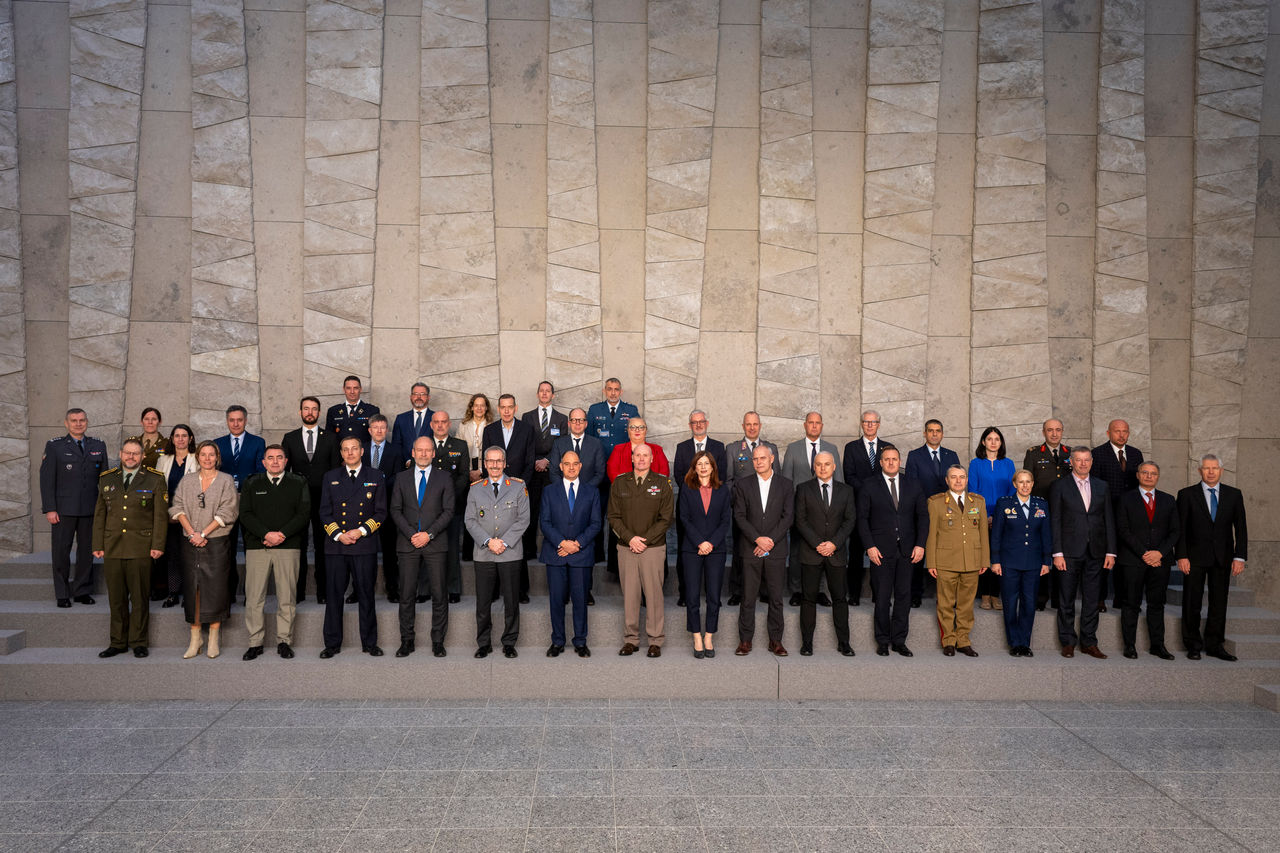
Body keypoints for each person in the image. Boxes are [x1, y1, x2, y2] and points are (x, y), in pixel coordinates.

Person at [91, 439, 168, 658]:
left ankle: (139, 641)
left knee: (140, 597)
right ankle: (117, 642)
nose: (131, 457)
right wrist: (97, 543)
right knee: (116, 598)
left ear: (143, 456)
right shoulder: (107, 478)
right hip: (112, 546)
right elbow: (100, 514)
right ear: (121, 453)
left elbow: (160, 517)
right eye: (127, 453)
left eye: (136, 454)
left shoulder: (155, 479)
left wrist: (158, 545)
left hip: (141, 547)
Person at [237, 444, 310, 661]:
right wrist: (266, 535)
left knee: (286, 597)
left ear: (286, 461)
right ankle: (255, 642)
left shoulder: (298, 482)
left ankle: (284, 641)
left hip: (288, 547)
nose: (275, 461)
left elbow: (304, 513)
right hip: (258, 546)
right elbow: (246, 514)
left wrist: (282, 535)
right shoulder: (252, 483)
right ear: (263, 462)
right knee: (254, 598)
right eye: (271, 458)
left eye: (279, 457)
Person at [318, 435, 388, 658]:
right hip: (337, 547)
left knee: (366, 595)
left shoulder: (375, 476)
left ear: (362, 451)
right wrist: (339, 534)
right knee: (334, 595)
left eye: (354, 449)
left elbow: (381, 512)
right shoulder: (330, 477)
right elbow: (324, 512)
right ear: (341, 453)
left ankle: (369, 643)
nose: (350, 453)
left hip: (363, 544)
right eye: (346, 449)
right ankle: (332, 643)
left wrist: (360, 531)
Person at [170, 440, 239, 660]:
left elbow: (228, 510)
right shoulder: (188, 480)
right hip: (190, 542)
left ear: (217, 457)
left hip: (216, 542)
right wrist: (192, 533)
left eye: (211, 455)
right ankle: (195, 638)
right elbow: (177, 507)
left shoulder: (226, 480)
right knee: (193, 588)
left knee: (216, 588)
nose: (207, 458)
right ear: (197, 457)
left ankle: (213, 640)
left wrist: (204, 533)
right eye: (203, 454)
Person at [1176, 454, 1248, 662]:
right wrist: (1181, 556)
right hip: (1194, 557)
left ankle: (1215, 645)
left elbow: (1241, 528)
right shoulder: (1187, 494)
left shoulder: (1234, 495)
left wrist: (1240, 557)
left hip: (1223, 557)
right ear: (1199, 471)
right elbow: (1180, 529)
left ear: (1221, 471)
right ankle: (1193, 645)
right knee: (1192, 602)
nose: (1210, 472)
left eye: (1214, 468)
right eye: (1206, 468)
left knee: (1219, 602)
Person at [389, 437, 455, 658]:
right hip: (408, 544)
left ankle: (438, 641)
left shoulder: (445, 478)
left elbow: (448, 511)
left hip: (435, 543)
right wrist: (412, 535)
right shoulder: (401, 478)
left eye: (428, 450)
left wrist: (428, 534)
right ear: (413, 452)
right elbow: (395, 510)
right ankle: (407, 640)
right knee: (406, 595)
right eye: (420, 450)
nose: (424, 454)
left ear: (434, 453)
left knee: (439, 594)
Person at [858, 447, 927, 657]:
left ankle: (899, 640)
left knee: (904, 596)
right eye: (886, 459)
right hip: (880, 551)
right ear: (880, 462)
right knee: (882, 596)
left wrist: (920, 544)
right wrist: (869, 546)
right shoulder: (869, 485)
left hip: (908, 551)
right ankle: (882, 640)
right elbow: (862, 519)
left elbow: (923, 517)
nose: (890, 463)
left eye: (894, 459)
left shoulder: (913, 484)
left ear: (900, 461)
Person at [608, 444, 674, 658]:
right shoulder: (620, 482)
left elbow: (666, 519)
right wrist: (630, 539)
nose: (642, 459)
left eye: (646, 455)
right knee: (630, 595)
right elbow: (613, 517)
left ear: (652, 458)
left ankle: (655, 640)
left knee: (654, 595)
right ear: (632, 458)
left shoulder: (662, 483)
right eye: (638, 455)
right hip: (626, 548)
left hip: (652, 548)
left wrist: (644, 540)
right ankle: (631, 639)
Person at [1049, 448, 1116, 659]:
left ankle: (1089, 642)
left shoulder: (1102, 486)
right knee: (1066, 598)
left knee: (1092, 599)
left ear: (1092, 461)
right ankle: (1068, 641)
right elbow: (1055, 521)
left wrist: (1111, 552)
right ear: (1072, 462)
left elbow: (1109, 520)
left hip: (1096, 551)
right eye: (1079, 460)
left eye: (1087, 460)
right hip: (1068, 552)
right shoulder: (1059, 486)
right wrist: (1057, 552)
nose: (1083, 463)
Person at [39, 408, 108, 607]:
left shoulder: (98, 445)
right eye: (74, 420)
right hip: (63, 510)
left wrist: (104, 509)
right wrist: (50, 508)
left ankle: (82, 591)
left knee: (86, 552)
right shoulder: (55, 446)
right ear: (66, 423)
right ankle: (62, 593)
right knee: (61, 552)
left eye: (82, 420)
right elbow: (46, 480)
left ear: (87, 422)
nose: (78, 424)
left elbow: (104, 480)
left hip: (90, 509)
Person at [465, 447, 530, 659]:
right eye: (490, 461)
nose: (494, 465)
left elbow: (523, 519)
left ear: (505, 463)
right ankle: (483, 643)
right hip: (484, 553)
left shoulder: (518, 487)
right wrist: (487, 542)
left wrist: (503, 542)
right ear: (485, 464)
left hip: (509, 552)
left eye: (498, 461)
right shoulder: (475, 488)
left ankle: (509, 642)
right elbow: (470, 520)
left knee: (511, 601)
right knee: (483, 602)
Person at [793, 451, 857, 657]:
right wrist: (818, 544)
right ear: (814, 466)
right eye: (819, 464)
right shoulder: (803, 489)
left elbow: (850, 521)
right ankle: (807, 643)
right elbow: (800, 520)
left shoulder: (846, 491)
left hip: (836, 554)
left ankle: (844, 642)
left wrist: (834, 544)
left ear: (834, 466)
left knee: (839, 598)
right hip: (811, 553)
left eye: (827, 464)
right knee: (808, 599)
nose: (822, 468)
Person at [733, 444, 794, 657]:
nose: (758, 462)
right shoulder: (743, 485)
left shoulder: (786, 485)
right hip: (751, 548)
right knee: (748, 597)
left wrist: (770, 541)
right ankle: (745, 640)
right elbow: (739, 516)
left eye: (762, 458)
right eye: (755, 459)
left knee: (776, 597)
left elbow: (788, 517)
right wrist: (758, 539)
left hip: (776, 550)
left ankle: (776, 640)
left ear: (772, 459)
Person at [539, 450, 601, 658]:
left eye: (575, 464)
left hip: (581, 554)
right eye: (567, 464)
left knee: (580, 600)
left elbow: (595, 524)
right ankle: (557, 641)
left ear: (581, 466)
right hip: (556, 552)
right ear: (561, 466)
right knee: (556, 600)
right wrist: (562, 543)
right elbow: (545, 522)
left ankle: (580, 641)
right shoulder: (549, 491)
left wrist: (577, 544)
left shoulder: (592, 492)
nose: (572, 467)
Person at [280, 396, 341, 604]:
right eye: (306, 409)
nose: (310, 412)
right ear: (300, 412)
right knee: (299, 544)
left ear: (319, 412)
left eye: (314, 409)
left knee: (323, 545)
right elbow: (283, 472)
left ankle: (322, 591)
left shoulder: (331, 438)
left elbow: (335, 472)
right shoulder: (290, 438)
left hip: (323, 499)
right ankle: (298, 591)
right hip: (297, 501)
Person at [1115, 461, 1178, 660]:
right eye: (1145, 472)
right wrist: (1145, 553)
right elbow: (1123, 530)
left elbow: (1175, 531)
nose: (1149, 476)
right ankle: (1130, 646)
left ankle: (1157, 645)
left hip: (1161, 561)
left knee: (1156, 604)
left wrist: (1159, 553)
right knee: (1131, 603)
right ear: (1138, 475)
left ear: (1158, 477)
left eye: (1153, 473)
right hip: (1133, 560)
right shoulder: (1125, 499)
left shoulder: (1169, 500)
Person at [926, 465, 989, 656]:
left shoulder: (977, 502)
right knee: (945, 604)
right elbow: (932, 535)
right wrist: (931, 562)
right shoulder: (936, 502)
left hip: (971, 561)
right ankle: (948, 641)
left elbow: (983, 533)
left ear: (967, 479)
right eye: (954, 477)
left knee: (966, 605)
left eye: (962, 477)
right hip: (945, 561)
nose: (958, 481)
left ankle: (963, 640)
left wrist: (984, 560)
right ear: (947, 480)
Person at [781, 411, 842, 606]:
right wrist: (789, 512)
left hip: (826, 511)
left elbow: (839, 481)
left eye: (817, 423)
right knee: (798, 550)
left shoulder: (831, 448)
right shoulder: (793, 448)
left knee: (825, 550)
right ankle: (797, 590)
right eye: (811, 423)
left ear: (822, 425)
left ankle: (821, 591)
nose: (814, 426)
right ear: (805, 425)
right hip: (801, 512)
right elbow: (786, 483)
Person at [677, 450, 732, 659]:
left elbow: (725, 520)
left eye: (706, 463)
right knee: (691, 596)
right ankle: (697, 636)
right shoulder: (687, 488)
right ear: (694, 466)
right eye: (699, 463)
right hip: (692, 548)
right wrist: (700, 542)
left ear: (712, 467)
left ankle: (709, 635)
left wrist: (711, 543)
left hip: (716, 550)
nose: (703, 467)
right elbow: (684, 518)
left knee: (713, 596)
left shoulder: (722, 489)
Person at [548, 407, 606, 604]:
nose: (578, 423)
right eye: (574, 420)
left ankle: (585, 590)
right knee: (562, 544)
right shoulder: (559, 443)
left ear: (586, 423)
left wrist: (583, 493)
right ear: (569, 423)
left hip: (587, 504)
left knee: (585, 548)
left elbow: (600, 473)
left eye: (581, 420)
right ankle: (563, 592)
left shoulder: (596, 444)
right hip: (562, 503)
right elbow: (555, 472)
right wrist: (567, 491)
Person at [990, 469, 1050, 657]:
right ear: (1015, 484)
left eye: (1028, 482)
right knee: (1010, 603)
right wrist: (995, 560)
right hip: (1009, 563)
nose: (1025, 485)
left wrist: (1046, 561)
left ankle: (1025, 642)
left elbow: (1046, 535)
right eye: (1021, 482)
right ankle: (1014, 643)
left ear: (1033, 484)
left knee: (1029, 604)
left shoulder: (1042, 505)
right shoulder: (1004, 504)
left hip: (1033, 563)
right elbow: (996, 534)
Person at [483, 394, 536, 602]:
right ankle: (495, 589)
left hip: (516, 491)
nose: (506, 411)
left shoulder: (527, 429)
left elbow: (530, 461)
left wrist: (519, 485)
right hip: (493, 491)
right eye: (503, 407)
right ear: (498, 408)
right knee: (494, 535)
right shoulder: (490, 430)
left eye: (510, 407)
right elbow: (486, 462)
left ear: (516, 408)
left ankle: (520, 590)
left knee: (515, 539)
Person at [672, 409, 728, 607]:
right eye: (694, 422)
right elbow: (678, 473)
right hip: (689, 505)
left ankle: (712, 595)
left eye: (701, 421)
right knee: (685, 550)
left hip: (712, 506)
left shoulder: (719, 447)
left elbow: (722, 475)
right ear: (690, 426)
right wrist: (693, 489)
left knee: (713, 549)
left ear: (707, 423)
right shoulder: (682, 447)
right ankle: (686, 593)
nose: (698, 424)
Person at [904, 418, 960, 607]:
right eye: (930, 430)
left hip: (948, 512)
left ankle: (945, 596)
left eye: (938, 431)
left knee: (945, 555)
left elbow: (957, 485)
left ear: (942, 434)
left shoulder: (951, 455)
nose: (934, 434)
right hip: (922, 511)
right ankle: (915, 594)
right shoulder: (914, 455)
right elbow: (911, 485)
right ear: (924, 433)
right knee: (918, 554)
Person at [724, 412, 778, 606]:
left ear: (760, 425)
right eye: (748, 424)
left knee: (765, 550)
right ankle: (737, 590)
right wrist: (737, 503)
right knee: (741, 551)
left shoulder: (771, 448)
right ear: (743, 426)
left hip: (766, 511)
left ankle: (764, 590)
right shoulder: (733, 449)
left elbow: (777, 480)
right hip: (743, 512)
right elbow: (729, 480)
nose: (752, 427)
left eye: (755, 424)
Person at [520, 381, 569, 596]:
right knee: (530, 511)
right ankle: (529, 550)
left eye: (548, 391)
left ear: (553, 395)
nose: (544, 394)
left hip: (552, 471)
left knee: (551, 513)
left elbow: (563, 444)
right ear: (537, 394)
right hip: (532, 470)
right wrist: (534, 462)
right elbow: (526, 444)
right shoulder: (527, 417)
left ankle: (551, 547)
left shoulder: (562, 419)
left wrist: (548, 461)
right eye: (541, 391)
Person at [844, 410, 896, 606]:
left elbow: (891, 475)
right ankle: (854, 595)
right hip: (859, 506)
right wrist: (869, 491)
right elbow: (849, 476)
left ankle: (879, 594)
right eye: (866, 422)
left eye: (873, 422)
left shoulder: (887, 448)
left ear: (879, 424)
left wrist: (877, 493)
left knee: (880, 554)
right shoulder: (851, 448)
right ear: (861, 424)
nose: (870, 425)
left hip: (882, 510)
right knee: (856, 552)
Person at [213, 404, 266, 599]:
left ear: (245, 420)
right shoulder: (217, 443)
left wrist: (247, 490)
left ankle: (250, 591)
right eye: (232, 420)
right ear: (227, 421)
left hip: (249, 502)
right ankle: (229, 591)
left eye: (239, 420)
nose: (236, 423)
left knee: (252, 549)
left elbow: (261, 472)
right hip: (224, 503)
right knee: (226, 549)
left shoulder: (257, 442)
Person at [587, 377, 640, 569]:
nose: (613, 392)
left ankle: (619, 553)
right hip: (600, 470)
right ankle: (598, 553)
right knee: (598, 512)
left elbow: (637, 437)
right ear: (604, 390)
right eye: (609, 389)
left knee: (621, 514)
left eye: (616, 389)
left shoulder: (631, 410)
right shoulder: (594, 410)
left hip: (623, 471)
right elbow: (590, 439)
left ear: (621, 392)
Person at [1091, 419, 1144, 611]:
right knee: (1103, 557)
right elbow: (1095, 486)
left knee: (1127, 558)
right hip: (1106, 514)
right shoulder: (1097, 454)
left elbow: (1141, 486)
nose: (1121, 435)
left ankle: (1122, 598)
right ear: (1108, 433)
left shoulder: (1137, 454)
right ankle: (1099, 598)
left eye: (1125, 431)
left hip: (1130, 515)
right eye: (1117, 431)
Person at [1023, 418, 1072, 610]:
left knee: (1063, 554)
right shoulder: (1034, 453)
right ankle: (1041, 597)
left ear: (1062, 431)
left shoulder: (1071, 453)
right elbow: (1027, 481)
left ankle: (1059, 598)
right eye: (1050, 430)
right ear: (1044, 432)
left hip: (1065, 512)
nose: (1054, 433)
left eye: (1058, 430)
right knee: (1040, 553)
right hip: (1040, 510)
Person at [968, 426, 1016, 611]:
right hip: (981, 517)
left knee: (999, 556)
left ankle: (996, 595)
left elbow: (1012, 491)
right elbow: (972, 491)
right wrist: (985, 516)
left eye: (997, 439)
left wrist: (998, 516)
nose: (993, 442)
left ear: (1001, 442)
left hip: (1003, 518)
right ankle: (984, 595)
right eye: (990, 439)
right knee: (984, 556)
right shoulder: (976, 463)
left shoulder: (1008, 463)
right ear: (983, 442)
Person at [428, 410, 469, 604]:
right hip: (427, 507)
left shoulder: (460, 446)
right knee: (427, 547)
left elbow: (463, 476)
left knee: (452, 547)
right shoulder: (424, 445)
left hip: (452, 506)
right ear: (431, 425)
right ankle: (425, 588)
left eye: (444, 422)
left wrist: (448, 497)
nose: (440, 425)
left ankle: (453, 589)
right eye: (436, 422)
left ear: (449, 424)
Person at [155, 424, 198, 607]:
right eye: (177, 436)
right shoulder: (163, 460)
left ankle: (190, 593)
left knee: (190, 555)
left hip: (192, 514)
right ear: (172, 439)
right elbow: (158, 488)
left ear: (190, 438)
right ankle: (173, 592)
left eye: (184, 435)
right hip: (169, 515)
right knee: (172, 555)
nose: (180, 439)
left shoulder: (196, 458)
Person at [364, 414, 404, 603]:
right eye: (375, 427)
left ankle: (392, 589)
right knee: (364, 552)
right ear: (370, 430)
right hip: (363, 508)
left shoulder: (396, 450)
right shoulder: (361, 449)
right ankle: (360, 590)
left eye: (382, 427)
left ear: (387, 430)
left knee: (390, 552)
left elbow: (397, 477)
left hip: (386, 507)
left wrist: (378, 486)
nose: (379, 431)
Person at [325, 374, 380, 444]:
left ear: (360, 389)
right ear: (344, 389)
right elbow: (329, 438)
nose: (352, 391)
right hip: (340, 453)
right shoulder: (333, 411)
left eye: (355, 388)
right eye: (348, 388)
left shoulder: (372, 410)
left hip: (364, 453)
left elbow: (377, 437)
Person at [390, 382, 434, 463]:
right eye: (415, 394)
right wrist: (406, 461)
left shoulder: (436, 418)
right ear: (411, 397)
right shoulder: (401, 418)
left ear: (428, 397)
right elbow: (396, 446)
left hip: (430, 465)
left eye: (422, 394)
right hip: (405, 467)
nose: (419, 397)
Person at [459, 392, 494, 481]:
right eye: (476, 405)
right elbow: (458, 450)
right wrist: (468, 471)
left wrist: (481, 470)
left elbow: (494, 451)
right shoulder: (463, 426)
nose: (479, 408)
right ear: (472, 407)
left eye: (482, 405)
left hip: (486, 469)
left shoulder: (492, 426)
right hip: (466, 468)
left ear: (486, 408)